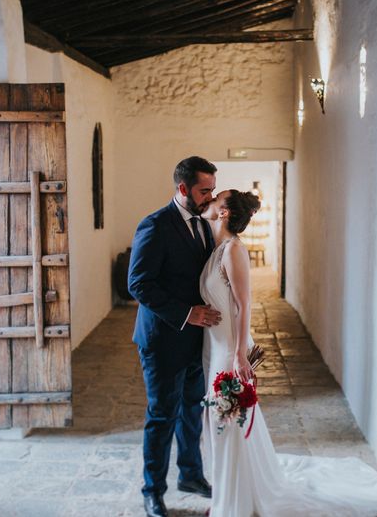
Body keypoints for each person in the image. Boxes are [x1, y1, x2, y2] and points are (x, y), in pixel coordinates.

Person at [200, 189, 377, 517]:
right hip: (214, 346)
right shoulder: (216, 249)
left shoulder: (233, 251)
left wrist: (240, 354)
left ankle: (234, 501)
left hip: (229, 350)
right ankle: (231, 493)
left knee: (228, 419)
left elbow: (244, 304)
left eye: (217, 199)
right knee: (224, 422)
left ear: (224, 212)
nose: (211, 200)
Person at [128, 156, 223, 517]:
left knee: (191, 411)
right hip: (162, 340)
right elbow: (138, 283)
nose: (210, 197)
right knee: (162, 415)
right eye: (204, 190)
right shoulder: (155, 225)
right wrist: (187, 313)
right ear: (183, 188)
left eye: (212, 189)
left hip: (195, 340)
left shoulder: (205, 225)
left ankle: (191, 475)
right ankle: (152, 490)